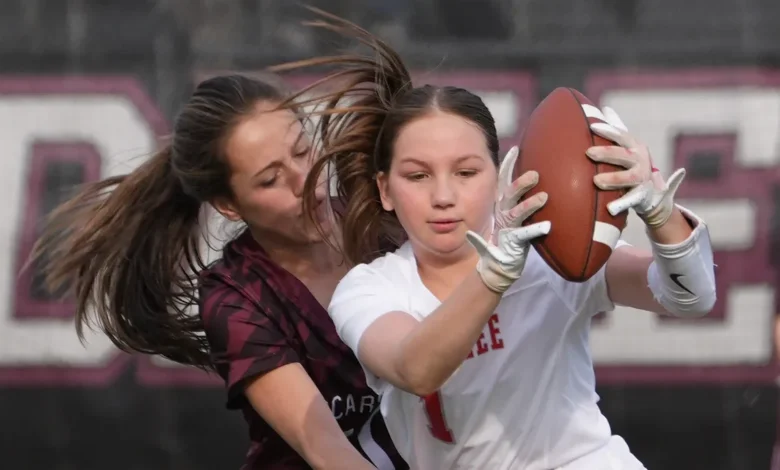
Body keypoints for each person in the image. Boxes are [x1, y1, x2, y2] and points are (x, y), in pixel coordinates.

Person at [277, 13, 718, 470]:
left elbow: (692, 298)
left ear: (499, 173)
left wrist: (660, 215)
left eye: (466, 172)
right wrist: (494, 274)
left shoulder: (551, 251)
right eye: (418, 176)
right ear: (385, 190)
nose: (443, 196)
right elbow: (416, 370)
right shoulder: (369, 288)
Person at [29, 74, 407, 470]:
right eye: (270, 179)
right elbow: (325, 450)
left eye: (302, 150)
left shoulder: (382, 219)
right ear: (229, 205)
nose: (304, 180)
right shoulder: (235, 297)